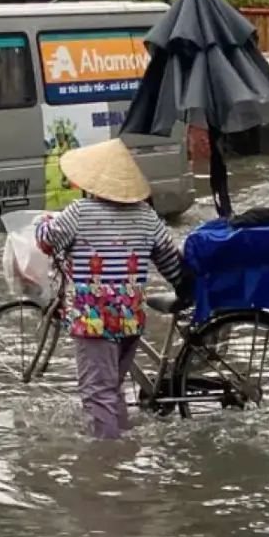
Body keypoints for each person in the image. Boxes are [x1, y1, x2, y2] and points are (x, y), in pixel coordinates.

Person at [36, 138, 186, 440]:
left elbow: (48, 241)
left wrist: (42, 221)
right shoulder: (146, 216)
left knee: (97, 395)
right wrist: (187, 290)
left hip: (95, 322)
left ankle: (108, 466)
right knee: (112, 389)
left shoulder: (80, 212)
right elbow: (171, 263)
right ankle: (124, 457)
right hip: (131, 320)